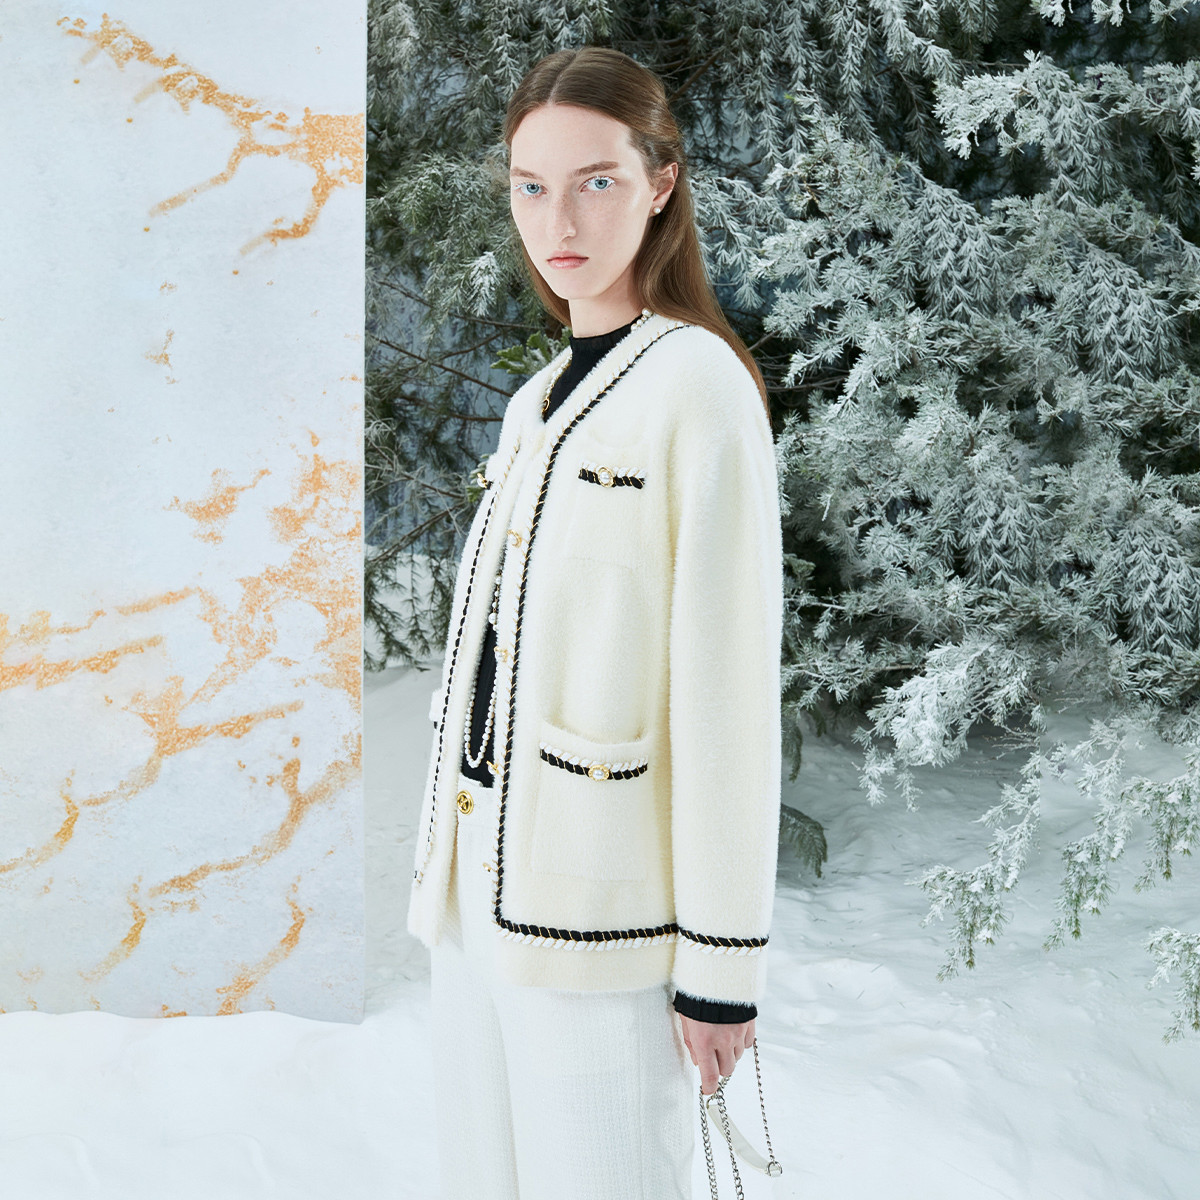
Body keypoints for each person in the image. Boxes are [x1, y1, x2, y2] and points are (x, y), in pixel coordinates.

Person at [406, 45, 783, 1200]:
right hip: (475, 903)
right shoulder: (536, 400)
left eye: (596, 182)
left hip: (599, 927)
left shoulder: (696, 386)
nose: (557, 220)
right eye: (531, 186)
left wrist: (721, 968)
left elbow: (725, 691)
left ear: (661, 182)